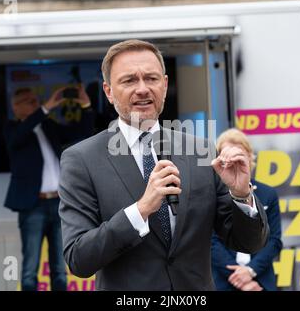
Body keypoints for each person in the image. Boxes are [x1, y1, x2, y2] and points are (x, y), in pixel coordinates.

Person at [58, 39, 269, 291]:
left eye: (151, 78)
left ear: (165, 85)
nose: (143, 89)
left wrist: (241, 194)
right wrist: (141, 210)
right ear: (108, 91)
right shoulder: (81, 160)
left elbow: (247, 242)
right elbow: (79, 259)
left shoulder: (200, 150)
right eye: (129, 81)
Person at [3, 85, 94, 291]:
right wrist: (45, 108)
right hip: (33, 205)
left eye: (37, 101)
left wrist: (86, 105)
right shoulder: (12, 129)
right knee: (29, 269)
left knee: (60, 269)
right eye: (31, 102)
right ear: (16, 107)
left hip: (58, 203)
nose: (37, 105)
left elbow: (82, 132)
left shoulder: (48, 127)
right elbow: (18, 137)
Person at [211, 128, 282, 291]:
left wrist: (250, 271)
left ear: (250, 157)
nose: (233, 161)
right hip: (223, 282)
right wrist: (240, 278)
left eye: (239, 155)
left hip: (261, 281)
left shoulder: (268, 194)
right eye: (227, 156)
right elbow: (210, 241)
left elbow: (274, 240)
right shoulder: (212, 194)